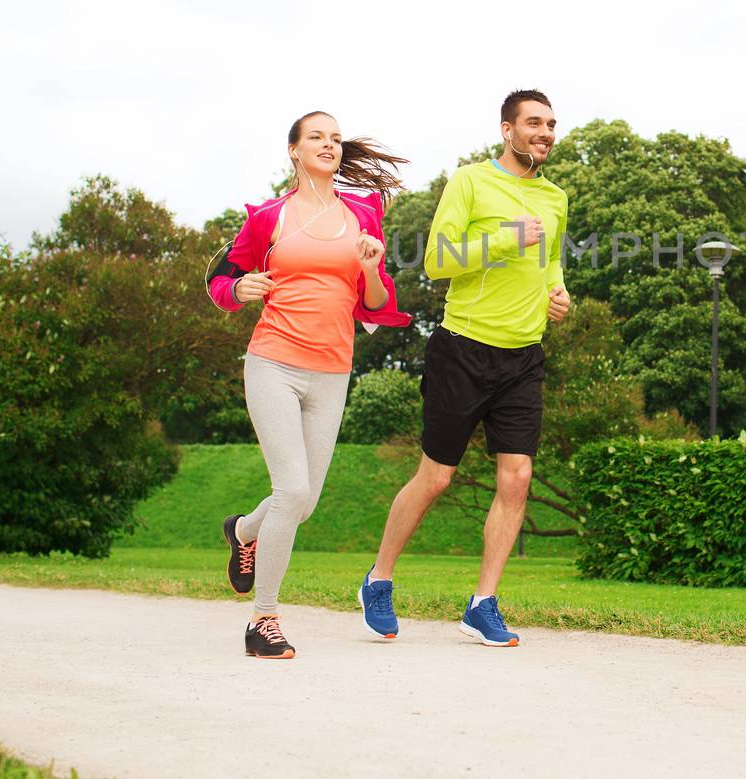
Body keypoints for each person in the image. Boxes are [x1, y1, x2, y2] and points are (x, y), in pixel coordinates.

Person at [358, 89, 570, 647]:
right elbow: (436, 259)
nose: (545, 132)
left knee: (517, 475)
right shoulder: (470, 181)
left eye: (550, 123)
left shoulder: (555, 198)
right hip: (464, 349)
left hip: (524, 355)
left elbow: (550, 261)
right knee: (436, 478)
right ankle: (378, 580)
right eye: (533, 123)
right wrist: (503, 239)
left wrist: (558, 292)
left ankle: (483, 602)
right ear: (507, 130)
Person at [206, 111, 410, 659]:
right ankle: (262, 620)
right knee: (292, 490)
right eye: (317, 137)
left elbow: (377, 304)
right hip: (273, 362)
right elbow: (218, 279)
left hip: (333, 370)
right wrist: (240, 287)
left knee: (303, 502)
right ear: (294, 151)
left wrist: (370, 269)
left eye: (336, 138)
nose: (329, 144)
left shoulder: (363, 213)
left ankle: (244, 532)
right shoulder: (268, 216)